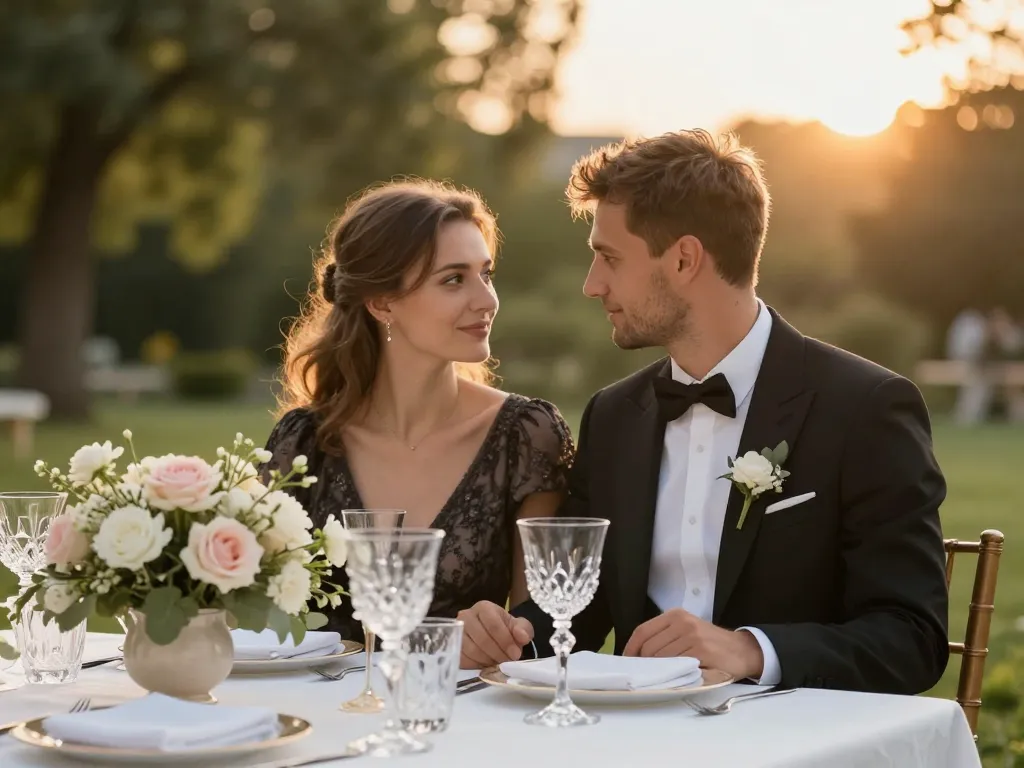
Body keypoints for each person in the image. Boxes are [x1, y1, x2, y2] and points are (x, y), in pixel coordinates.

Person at [457, 130, 950, 695]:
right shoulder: (614, 416)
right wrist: (506, 635)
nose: (593, 286)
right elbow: (578, 618)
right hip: (636, 738)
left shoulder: (864, 408)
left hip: (795, 741)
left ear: (685, 258)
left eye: (609, 258)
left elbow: (912, 638)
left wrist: (748, 649)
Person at [261, 179, 574, 642]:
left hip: (464, 708)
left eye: (485, 274)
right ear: (382, 302)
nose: (487, 300)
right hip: (326, 709)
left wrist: (502, 634)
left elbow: (544, 625)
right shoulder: (303, 445)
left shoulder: (527, 436)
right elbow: (261, 622)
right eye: (453, 279)